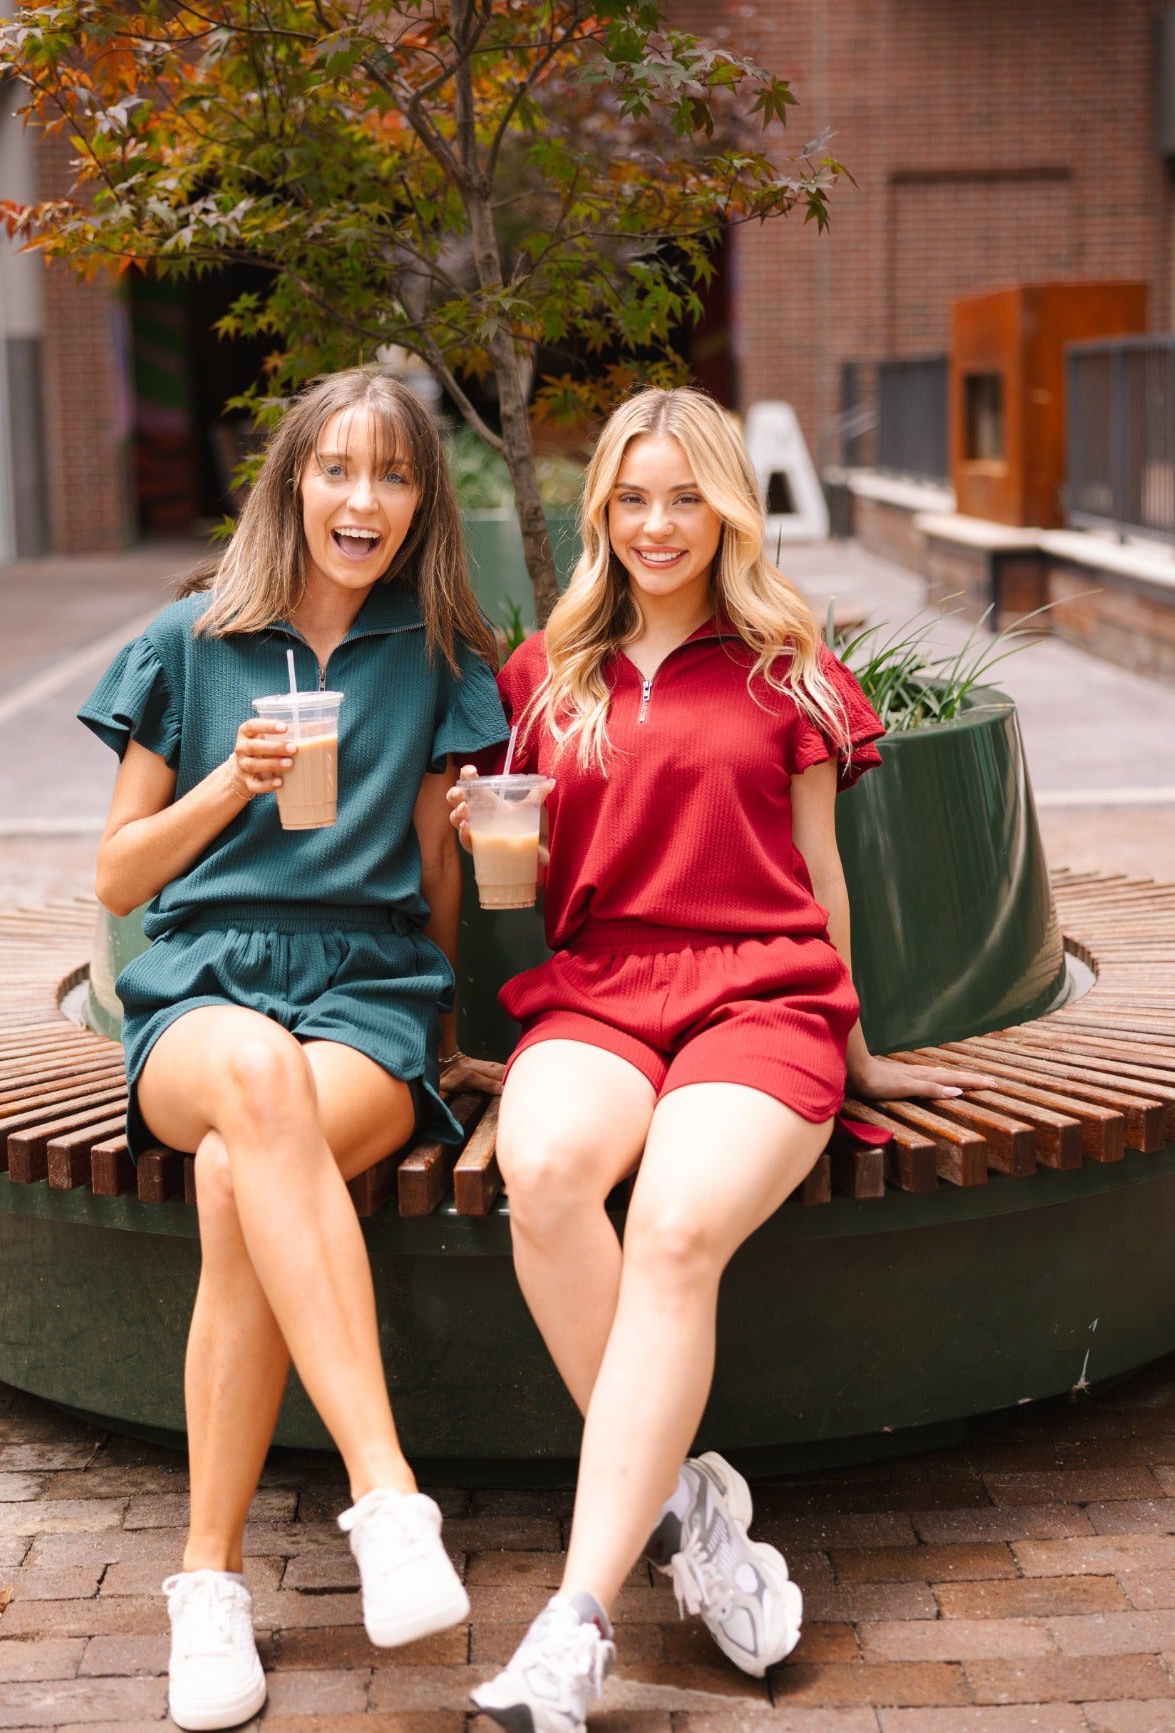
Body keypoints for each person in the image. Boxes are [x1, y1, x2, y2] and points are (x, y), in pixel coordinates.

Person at [450, 387, 989, 1733]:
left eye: (683, 496)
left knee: (679, 1226)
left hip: (762, 992)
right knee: (549, 1169)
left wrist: (854, 1042)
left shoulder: (787, 664)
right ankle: (695, 1510)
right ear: (600, 514)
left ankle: (575, 1625)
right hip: (600, 988)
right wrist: (484, 833)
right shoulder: (545, 677)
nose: (655, 524)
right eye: (631, 498)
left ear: (727, 506)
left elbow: (820, 871)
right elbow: (518, 877)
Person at [79, 368, 507, 1733]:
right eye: (337, 470)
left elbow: (441, 870)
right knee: (252, 1083)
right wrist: (229, 780)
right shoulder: (189, 641)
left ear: (421, 502)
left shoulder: (440, 656)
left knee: (233, 1183)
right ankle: (386, 1497)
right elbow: (116, 875)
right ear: (293, 483)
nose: (362, 499)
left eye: (392, 475)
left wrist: (442, 1032)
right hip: (204, 987)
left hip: (369, 990)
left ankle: (205, 1583)